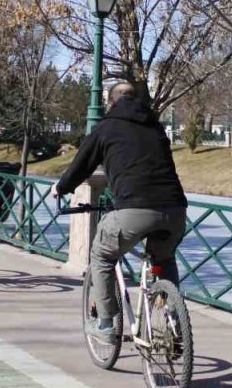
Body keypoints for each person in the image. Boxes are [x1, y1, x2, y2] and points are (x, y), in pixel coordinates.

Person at [55, 82, 187, 342]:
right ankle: (174, 322)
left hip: (133, 209)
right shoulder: (155, 126)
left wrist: (61, 188)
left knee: (102, 256)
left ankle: (106, 322)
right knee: (164, 258)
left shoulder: (106, 127)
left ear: (111, 102)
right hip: (175, 209)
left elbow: (81, 165)